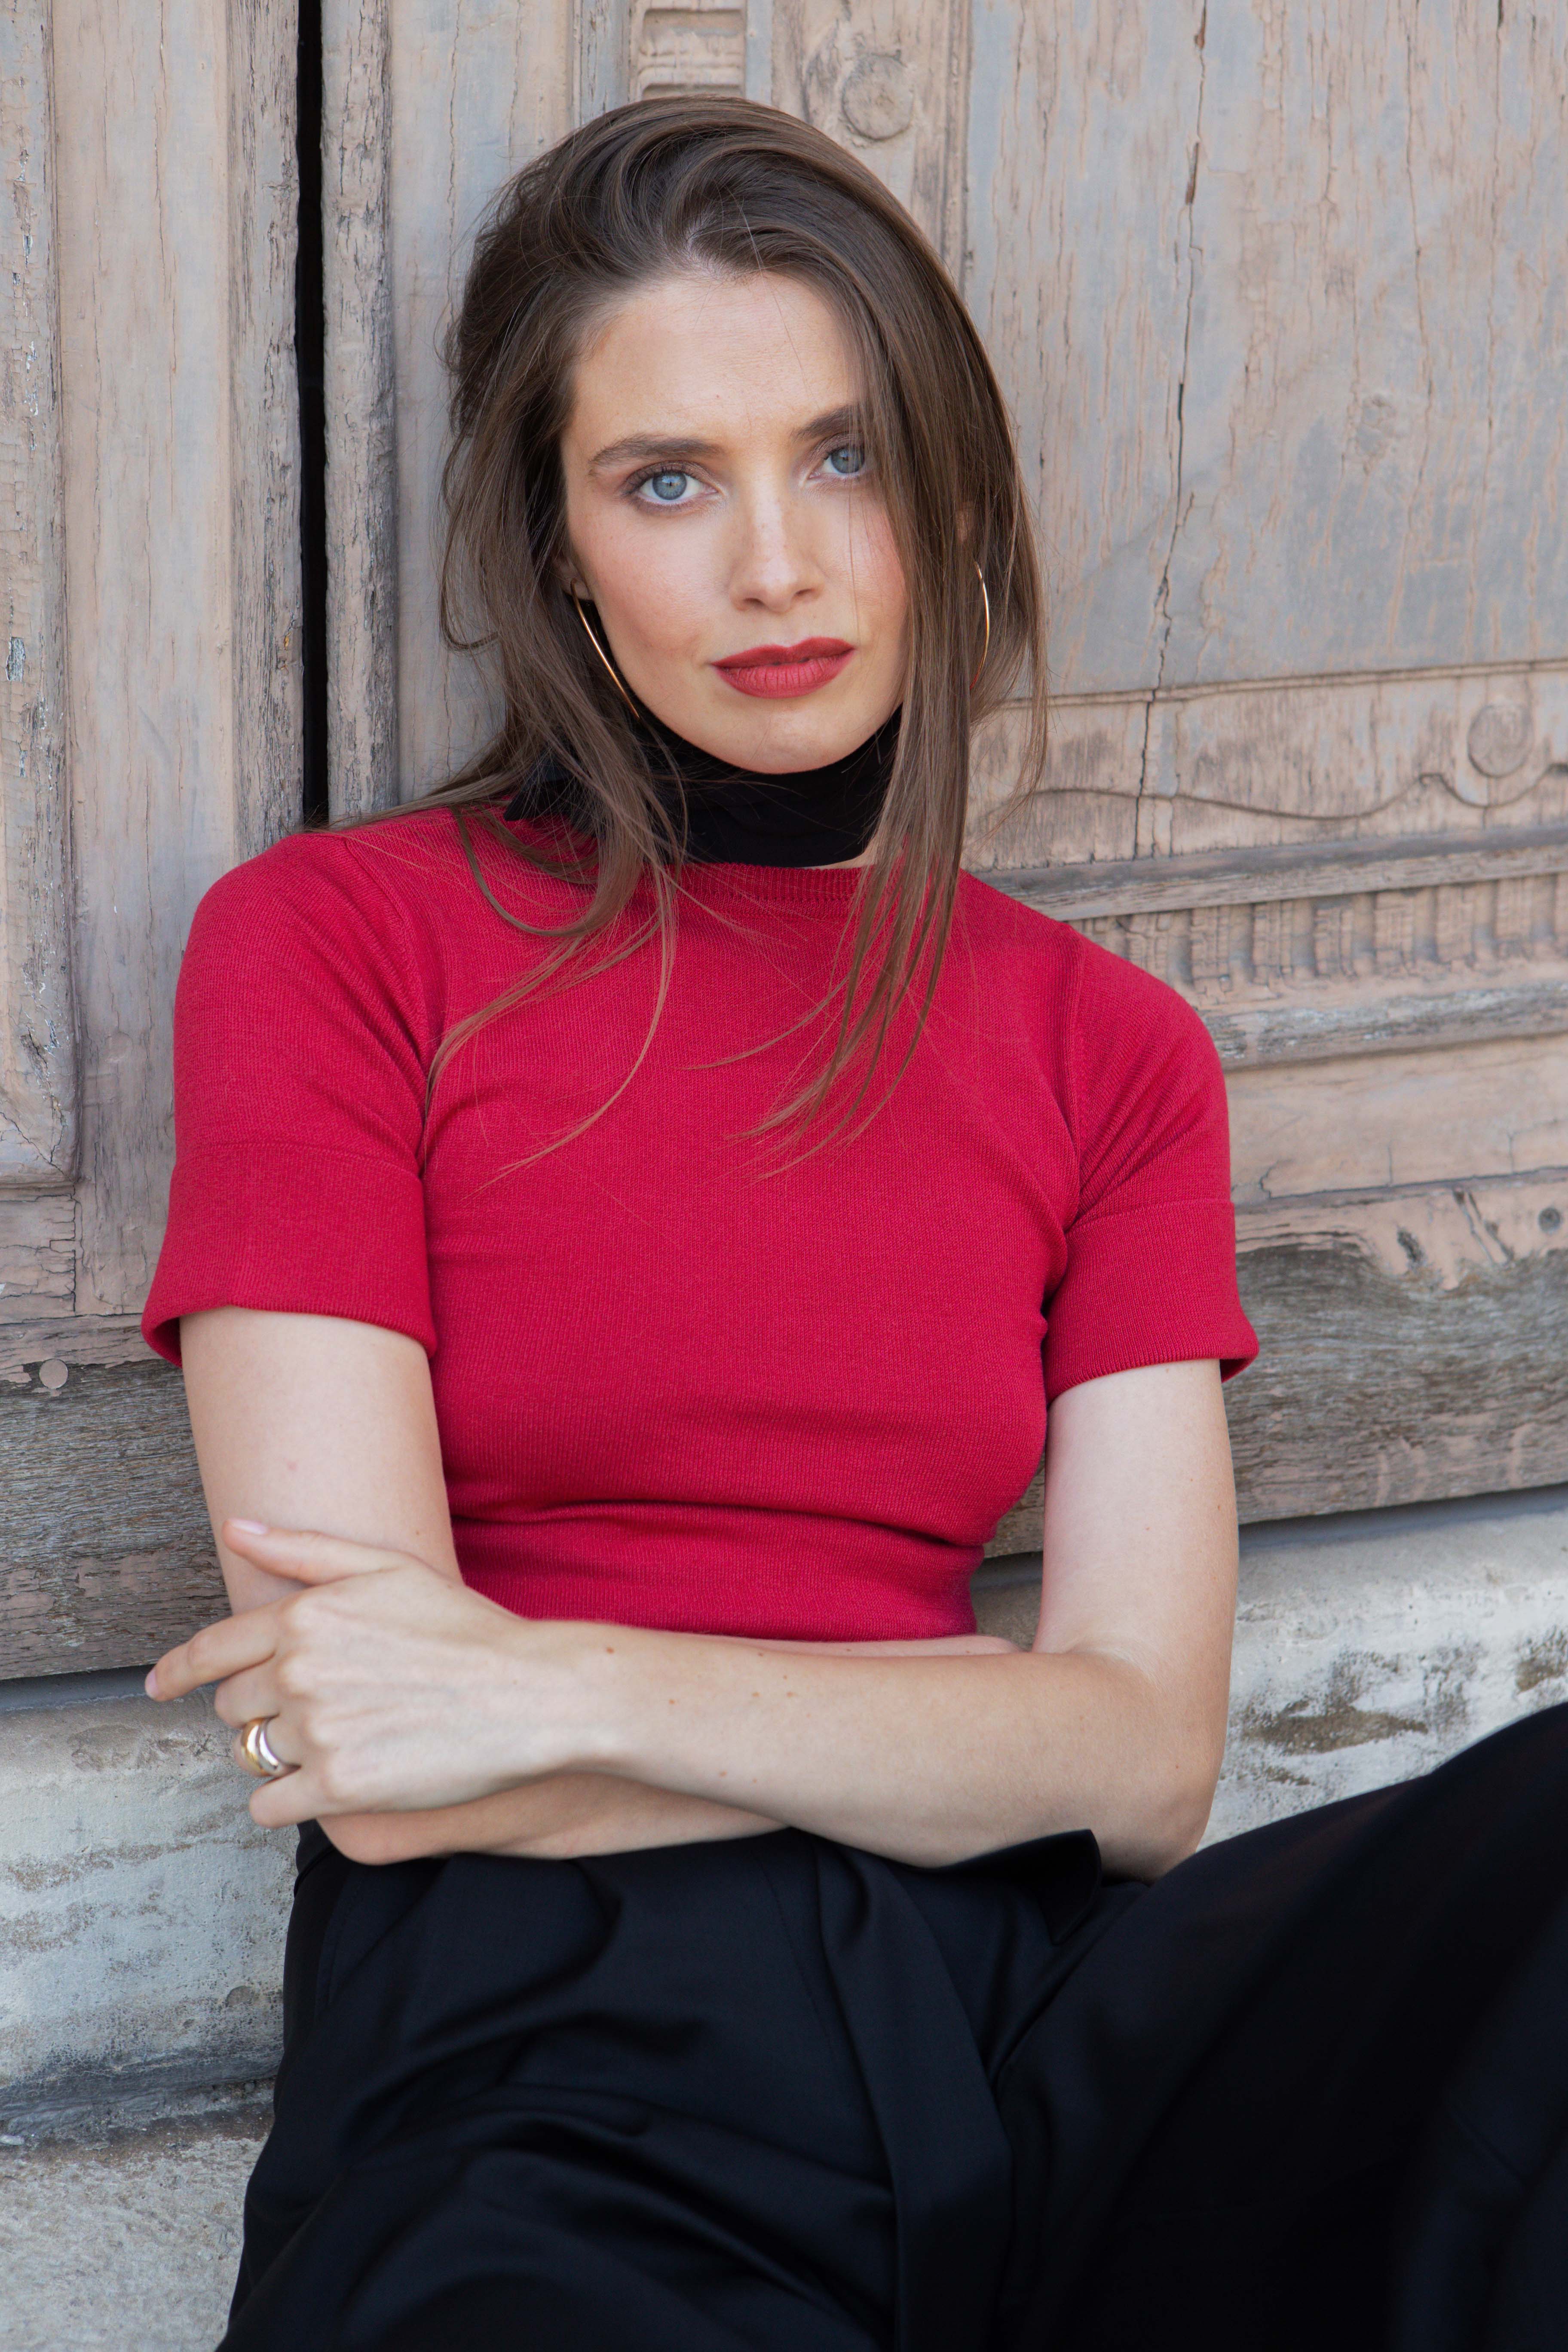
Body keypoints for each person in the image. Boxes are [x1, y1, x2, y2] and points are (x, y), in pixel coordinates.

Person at [141, 96, 1568, 2352]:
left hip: (1026, 2028)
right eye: (668, 481)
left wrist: (561, 1678)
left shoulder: (1107, 1050)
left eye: (844, 456)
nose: (780, 567)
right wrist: (979, 1718)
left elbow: (1143, 1771)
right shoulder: (339, 947)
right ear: (557, 542)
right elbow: (370, 1755)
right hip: (552, 2067)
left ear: (951, 496)